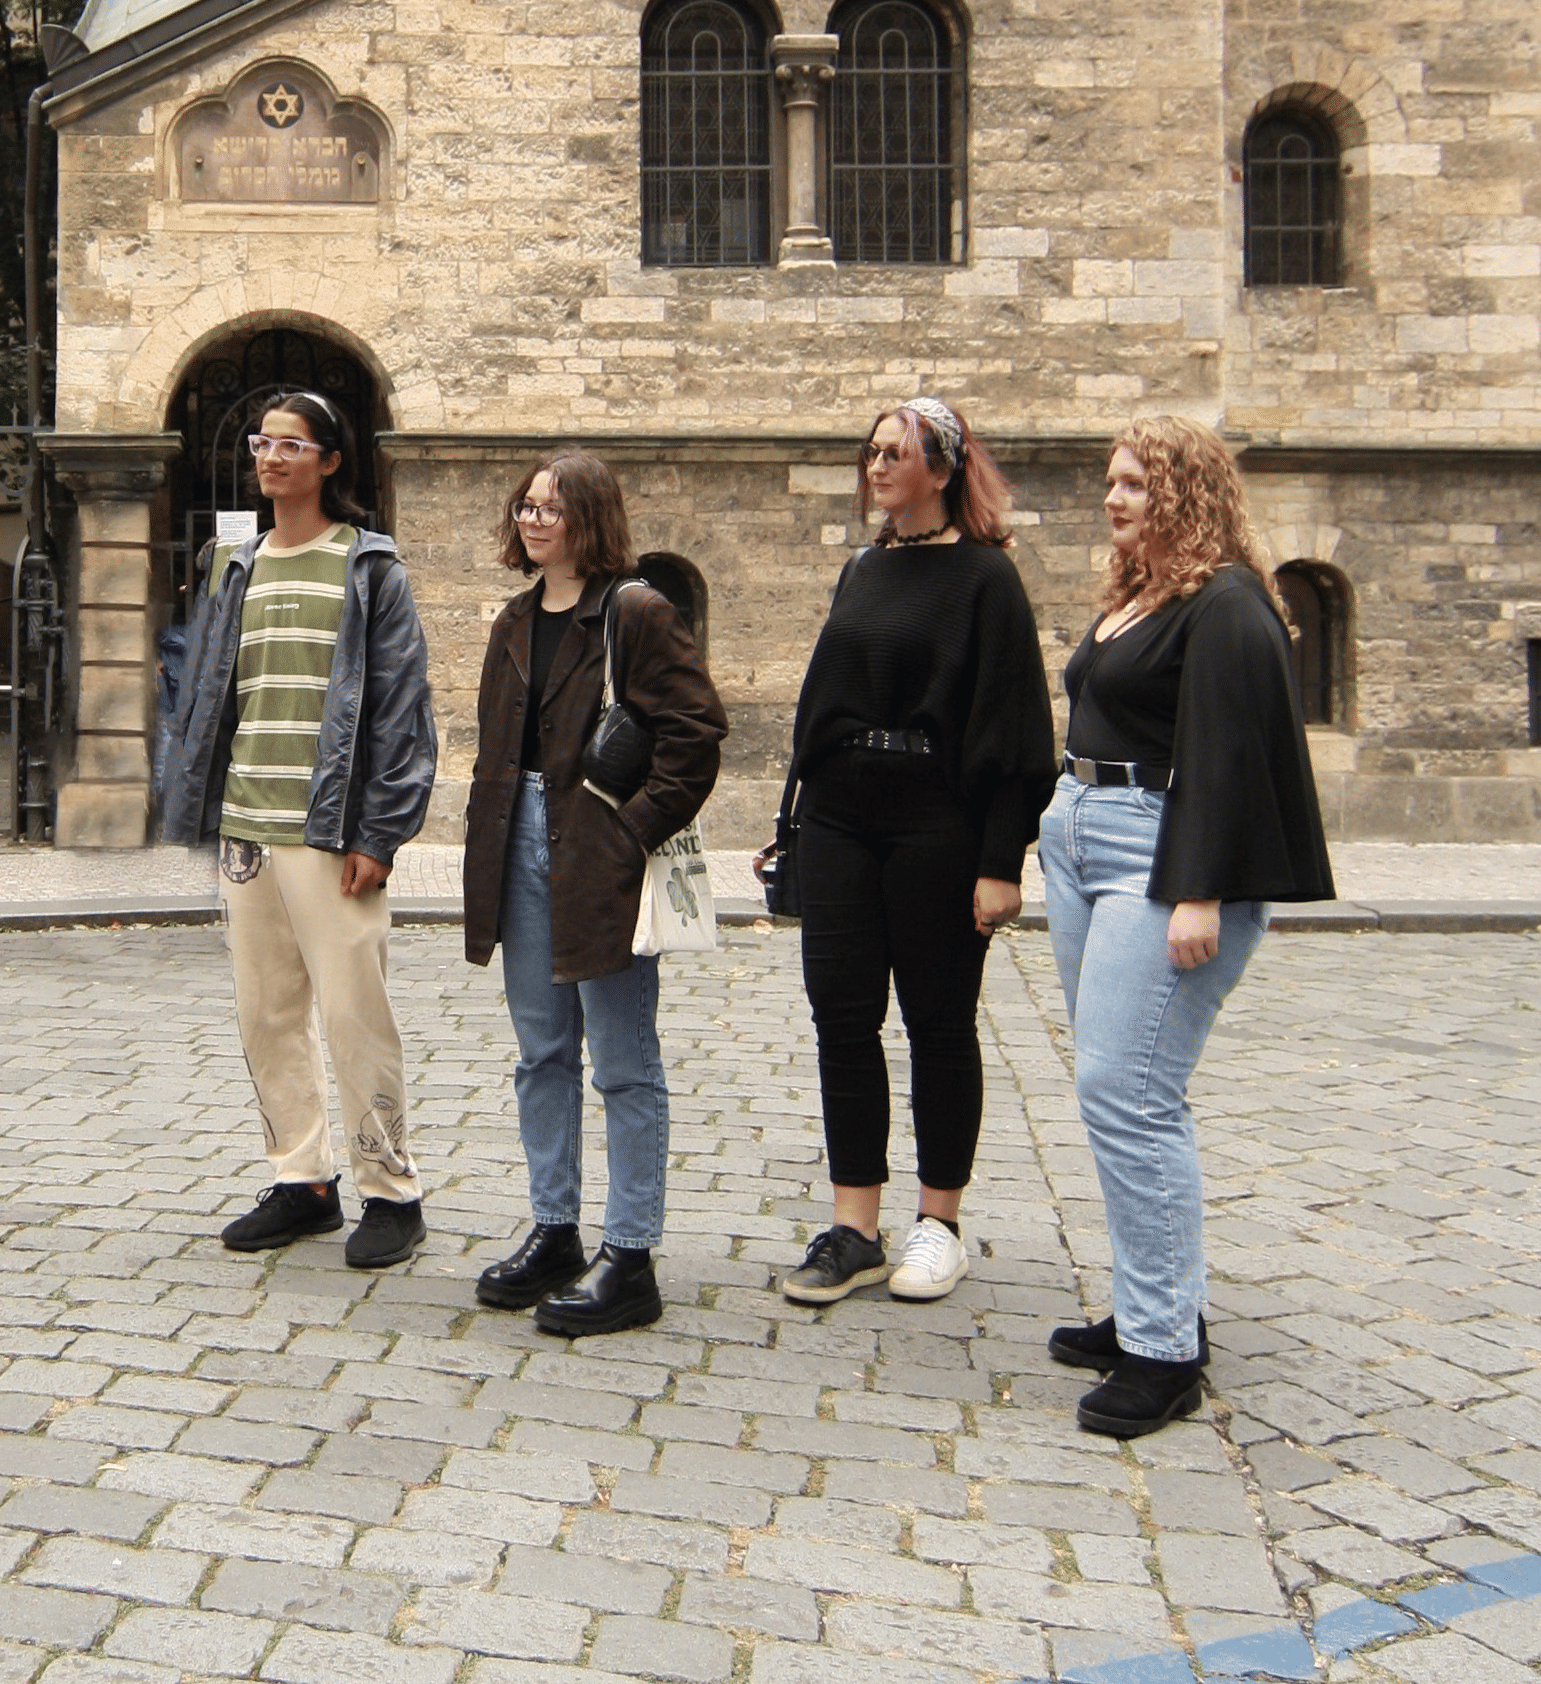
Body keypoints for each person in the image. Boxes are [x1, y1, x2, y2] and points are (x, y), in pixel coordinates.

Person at [1040, 415, 1334, 1437]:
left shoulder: (1230, 604)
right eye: (1112, 480)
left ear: (1188, 493)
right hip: (1085, 842)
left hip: (1160, 861)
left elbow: (1231, 751)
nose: (1114, 497)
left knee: (1131, 1093)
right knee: (1114, 1090)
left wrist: (1200, 888)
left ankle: (1164, 1354)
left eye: (1136, 483)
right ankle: (1148, 1309)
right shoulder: (1140, 593)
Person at [772, 398, 1056, 1309]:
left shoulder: (986, 580)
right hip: (845, 819)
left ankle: (941, 1224)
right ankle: (855, 1228)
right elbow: (824, 705)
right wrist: (800, 827)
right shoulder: (863, 570)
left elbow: (1016, 725)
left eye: (898, 452)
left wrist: (1001, 860)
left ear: (943, 469)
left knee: (939, 1024)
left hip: (939, 821)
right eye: (873, 451)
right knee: (842, 1021)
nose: (878, 465)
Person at [159, 392, 439, 1269]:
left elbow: (402, 710)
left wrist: (381, 833)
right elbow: (210, 695)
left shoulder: (369, 568)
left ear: (329, 461)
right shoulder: (234, 566)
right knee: (267, 1013)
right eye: (261, 442)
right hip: (248, 828)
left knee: (357, 1013)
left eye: (291, 444)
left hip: (331, 832)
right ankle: (302, 1181)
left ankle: (391, 1191)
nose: (271, 456)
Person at [461, 453, 726, 1335]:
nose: (534, 521)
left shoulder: (635, 611)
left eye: (552, 508)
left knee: (620, 1059)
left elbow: (695, 731)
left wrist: (633, 829)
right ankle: (555, 1229)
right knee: (541, 1052)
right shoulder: (513, 617)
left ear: (591, 518)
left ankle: (632, 1253)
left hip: (598, 848)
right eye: (526, 506)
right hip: (520, 844)